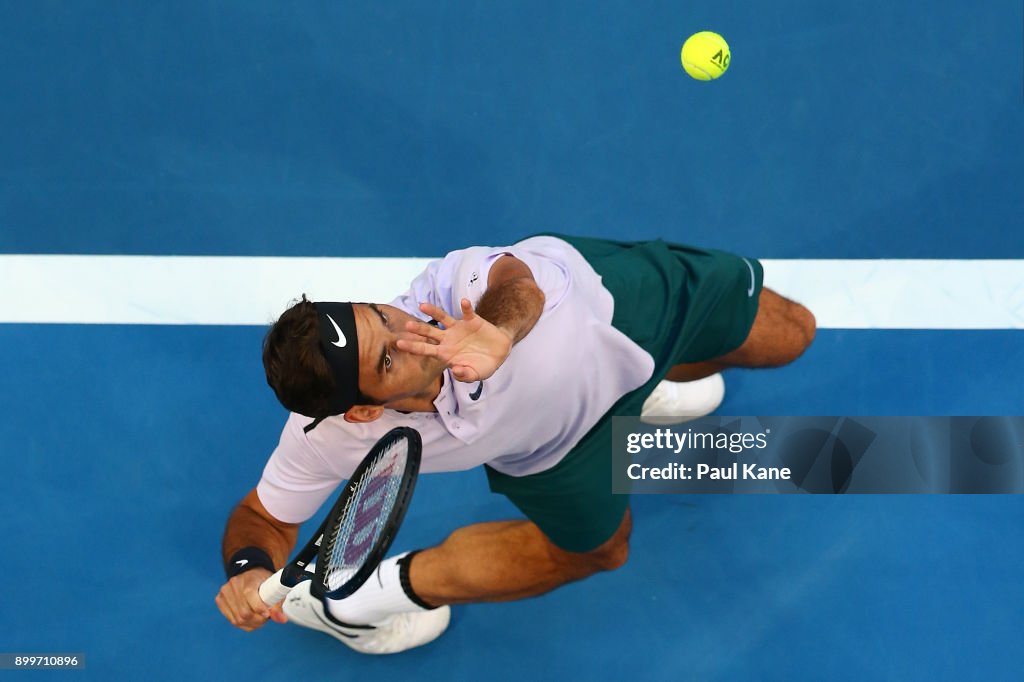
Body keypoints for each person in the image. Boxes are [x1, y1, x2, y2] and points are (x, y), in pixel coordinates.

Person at [215, 233, 815, 654]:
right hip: (556, 447)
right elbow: (261, 517)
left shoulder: (452, 288)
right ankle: (358, 605)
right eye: (389, 355)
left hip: (625, 313)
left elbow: (516, 283)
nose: (412, 330)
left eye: (383, 314)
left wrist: (498, 330)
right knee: (601, 551)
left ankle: (641, 383)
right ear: (365, 409)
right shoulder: (329, 439)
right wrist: (248, 569)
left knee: (793, 336)